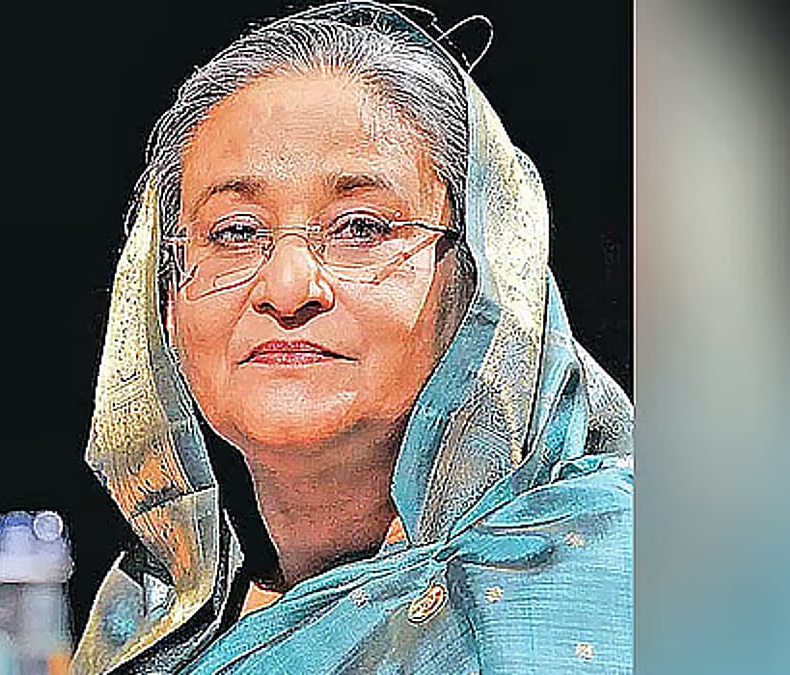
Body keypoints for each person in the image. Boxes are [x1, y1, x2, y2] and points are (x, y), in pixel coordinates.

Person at [74, 2, 633, 673]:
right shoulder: (147, 627)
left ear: (481, 284)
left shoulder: (595, 577)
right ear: (165, 302)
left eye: (361, 227)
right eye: (236, 232)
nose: (287, 286)